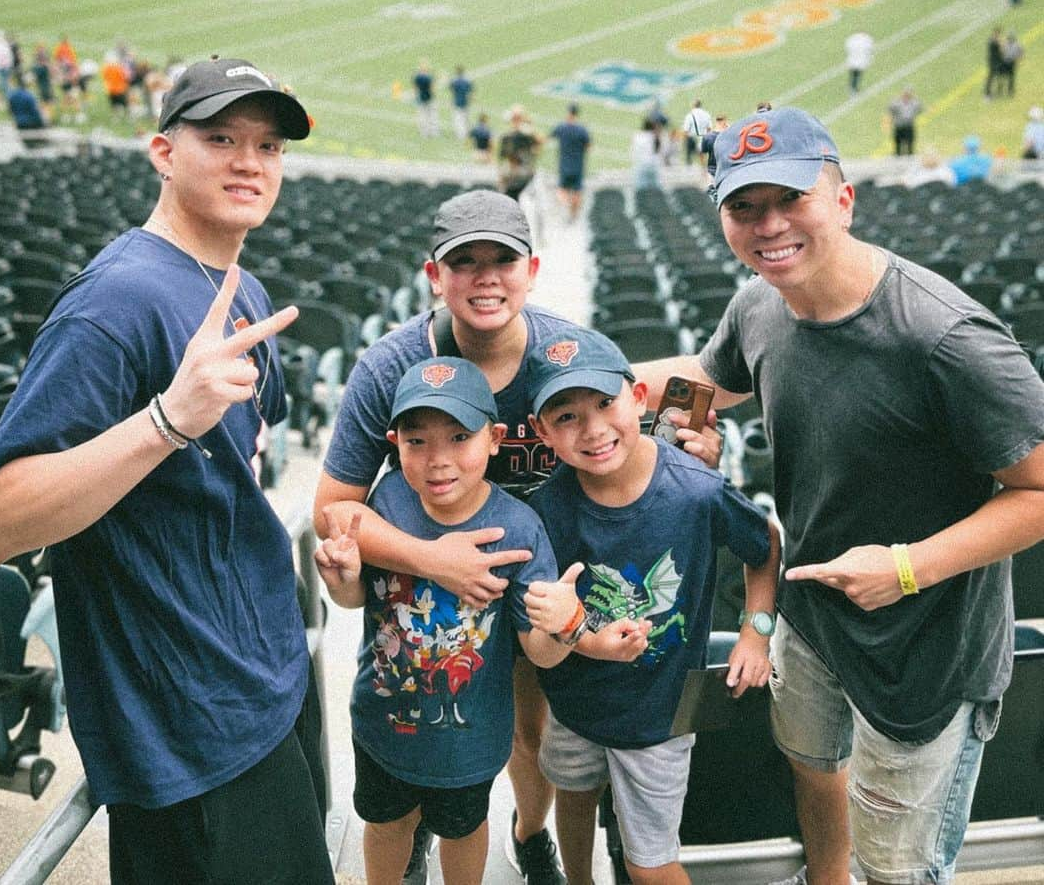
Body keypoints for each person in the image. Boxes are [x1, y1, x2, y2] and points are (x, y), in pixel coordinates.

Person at [642, 106, 1044, 885]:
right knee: (810, 763)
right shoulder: (760, 304)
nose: (768, 226)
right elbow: (711, 381)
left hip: (925, 657)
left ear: (845, 200)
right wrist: (647, 409)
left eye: (792, 198)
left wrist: (905, 567)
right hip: (812, 620)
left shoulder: (945, 338)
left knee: (899, 865)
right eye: (744, 207)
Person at [0, 57, 335, 885]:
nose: (250, 161)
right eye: (221, 138)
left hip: (262, 681)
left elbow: (230, 469)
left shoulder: (240, 284)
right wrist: (166, 421)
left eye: (269, 145)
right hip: (191, 729)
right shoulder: (113, 304)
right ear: (164, 152)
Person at [314, 188, 724, 885]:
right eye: (463, 262)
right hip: (436, 587)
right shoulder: (391, 367)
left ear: (530, 270)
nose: (485, 277)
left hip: (552, 573)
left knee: (530, 738)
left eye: (501, 259)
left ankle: (529, 832)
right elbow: (333, 510)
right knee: (429, 715)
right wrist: (431, 560)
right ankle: (412, 828)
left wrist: (692, 453)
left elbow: (641, 440)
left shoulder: (575, 353)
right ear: (433, 276)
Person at [317, 358, 638, 885]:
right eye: (417, 441)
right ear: (394, 442)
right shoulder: (387, 500)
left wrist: (566, 624)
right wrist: (341, 577)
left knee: (464, 831)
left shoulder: (518, 527)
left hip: (470, 740)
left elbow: (537, 651)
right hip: (383, 725)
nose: (437, 460)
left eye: (460, 436)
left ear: (494, 439)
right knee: (385, 824)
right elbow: (359, 599)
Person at [522, 327, 780, 885]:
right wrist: (571, 629)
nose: (592, 429)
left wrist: (755, 632)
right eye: (565, 416)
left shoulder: (695, 489)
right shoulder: (545, 508)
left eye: (604, 403)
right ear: (542, 432)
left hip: (659, 711)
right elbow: (541, 632)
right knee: (574, 792)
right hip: (574, 703)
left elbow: (766, 544)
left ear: (638, 399)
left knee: (651, 862)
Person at [550, 104, 591, 220]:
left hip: (564, 164)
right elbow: (589, 146)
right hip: (578, 165)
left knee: (561, 190)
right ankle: (573, 216)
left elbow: (550, 137)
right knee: (577, 192)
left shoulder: (562, 127)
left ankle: (565, 206)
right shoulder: (582, 129)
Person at [498, 106, 543, 204]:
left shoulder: (509, 136)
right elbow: (538, 146)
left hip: (515, 177)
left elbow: (508, 158)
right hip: (529, 174)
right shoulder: (530, 133)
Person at [887, 88, 922, 156]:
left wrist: (915, 98)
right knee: (898, 145)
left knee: (910, 145)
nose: (906, 97)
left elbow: (920, 108)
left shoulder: (913, 103)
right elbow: (890, 108)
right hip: (899, 126)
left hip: (909, 126)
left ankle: (910, 157)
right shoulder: (897, 103)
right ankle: (897, 157)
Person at [630, 117, 662, 192]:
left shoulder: (637, 136)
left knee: (641, 189)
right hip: (652, 164)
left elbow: (633, 151)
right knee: (655, 189)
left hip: (640, 164)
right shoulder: (654, 136)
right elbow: (658, 150)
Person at [699, 113, 729, 187]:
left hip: (711, 170)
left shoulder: (707, 137)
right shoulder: (728, 136)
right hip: (725, 170)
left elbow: (702, 154)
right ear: (725, 122)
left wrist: (703, 169)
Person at [413, 59, 439, 138]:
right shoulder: (429, 77)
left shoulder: (417, 76)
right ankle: (433, 132)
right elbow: (432, 88)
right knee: (432, 116)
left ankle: (424, 133)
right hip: (429, 98)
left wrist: (416, 97)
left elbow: (415, 88)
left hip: (421, 98)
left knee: (422, 116)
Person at [682, 98, 712, 166]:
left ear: (693, 105)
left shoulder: (690, 115)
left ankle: (689, 167)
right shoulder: (706, 114)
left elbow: (686, 130)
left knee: (689, 156)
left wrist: (684, 141)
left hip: (692, 138)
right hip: (703, 137)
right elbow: (709, 128)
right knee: (702, 155)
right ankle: (703, 170)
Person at [448, 65, 474, 141]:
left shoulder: (454, 81)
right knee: (466, 119)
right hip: (465, 102)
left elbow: (451, 90)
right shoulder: (467, 81)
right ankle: (467, 133)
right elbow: (470, 92)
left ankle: (460, 135)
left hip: (457, 102)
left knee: (458, 119)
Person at [984, 28, 1004, 99]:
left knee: (995, 76)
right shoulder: (994, 42)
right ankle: (987, 94)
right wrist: (1000, 42)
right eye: (998, 34)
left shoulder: (991, 40)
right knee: (991, 77)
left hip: (995, 61)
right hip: (994, 62)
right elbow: (1001, 50)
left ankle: (994, 92)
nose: (998, 36)